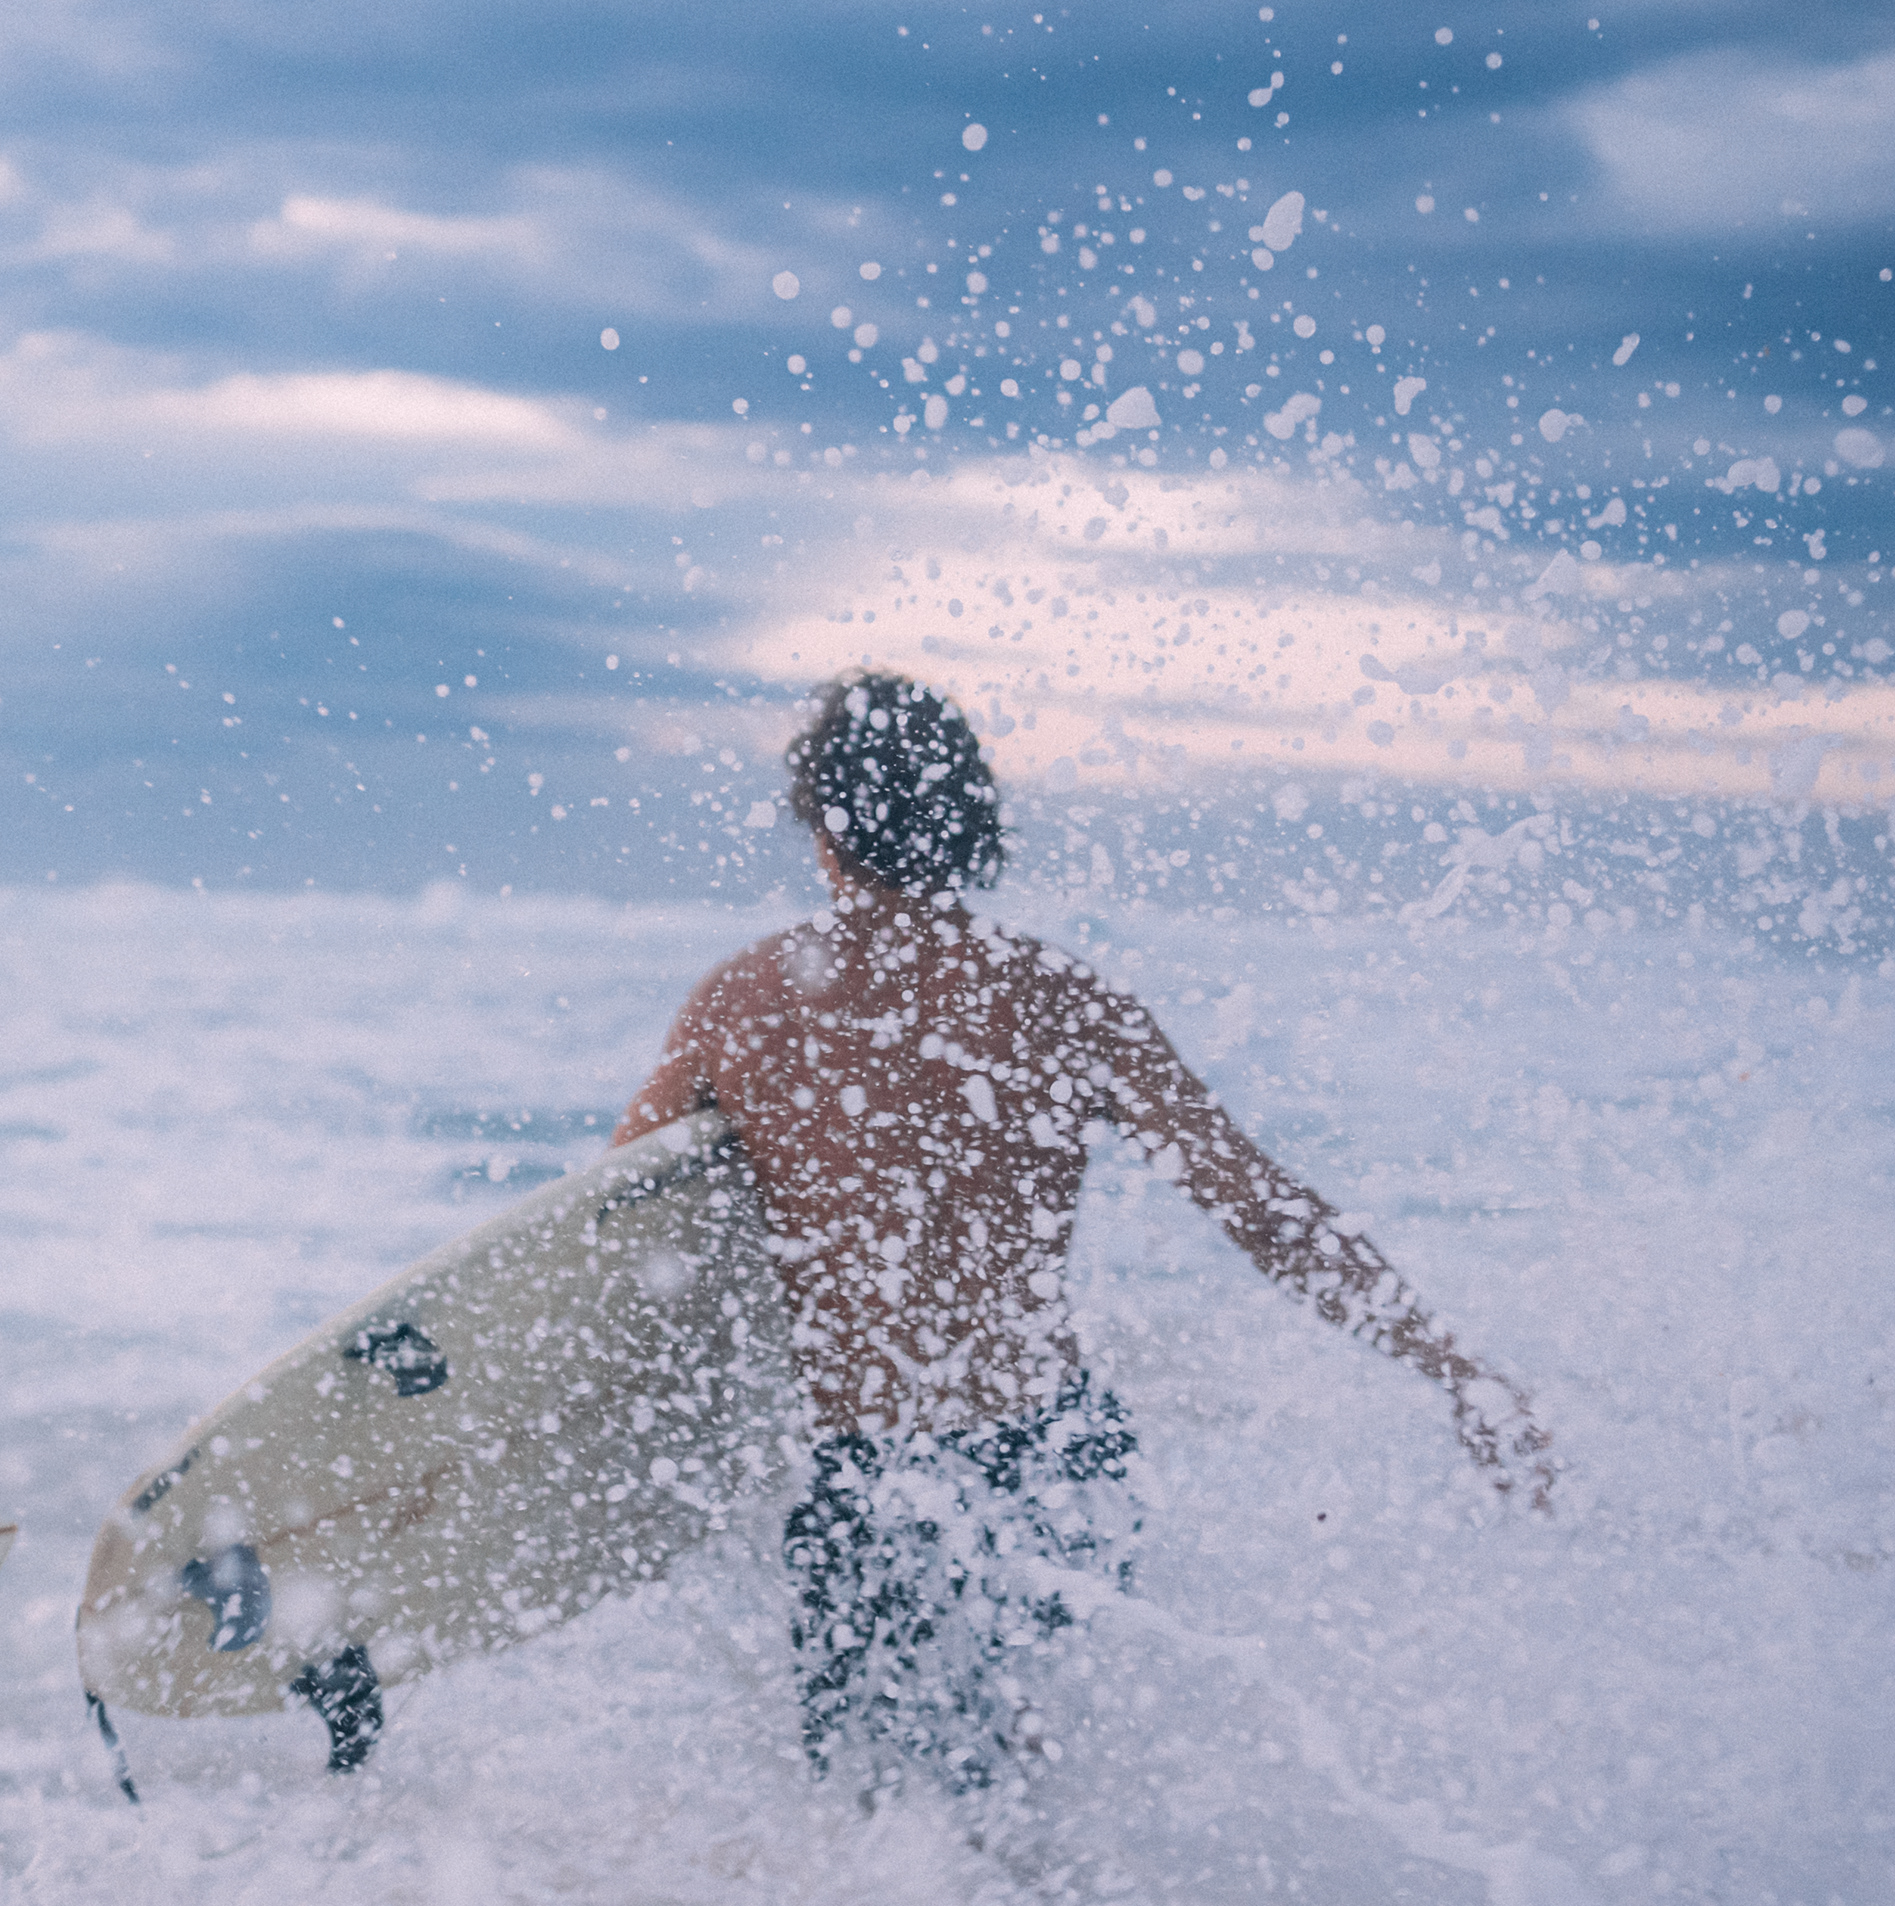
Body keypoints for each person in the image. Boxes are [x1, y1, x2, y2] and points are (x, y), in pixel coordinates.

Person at [617, 670, 1551, 1794]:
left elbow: (618, 1229)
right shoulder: (1059, 1000)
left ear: (822, 830)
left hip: (872, 1476)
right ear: (970, 826)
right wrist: (1451, 1367)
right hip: (1052, 1459)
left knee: (884, 1813)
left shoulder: (745, 1005)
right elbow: (1260, 1210)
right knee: (1050, 1790)